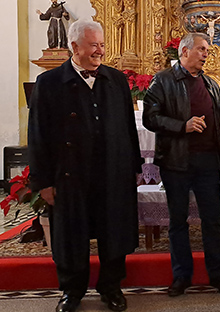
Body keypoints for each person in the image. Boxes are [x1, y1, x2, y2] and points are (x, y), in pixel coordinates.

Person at [28, 20, 142, 312]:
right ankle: (72, 290)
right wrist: (43, 182)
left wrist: (135, 167)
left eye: (102, 45)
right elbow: (38, 135)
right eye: (94, 45)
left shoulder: (116, 80)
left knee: (113, 232)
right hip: (69, 175)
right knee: (71, 236)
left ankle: (111, 286)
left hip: (112, 173)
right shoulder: (50, 83)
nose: (99, 51)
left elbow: (129, 128)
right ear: (74, 46)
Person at [142, 32, 220, 297]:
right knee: (178, 221)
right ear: (184, 51)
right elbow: (151, 117)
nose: (207, 53)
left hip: (207, 160)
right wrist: (182, 126)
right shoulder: (163, 80)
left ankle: (218, 275)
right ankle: (181, 276)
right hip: (176, 161)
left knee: (212, 220)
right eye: (201, 49)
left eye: (207, 49)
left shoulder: (210, 82)